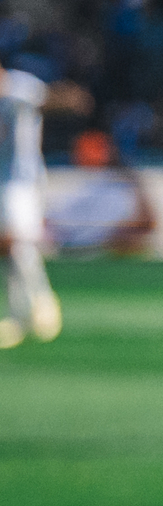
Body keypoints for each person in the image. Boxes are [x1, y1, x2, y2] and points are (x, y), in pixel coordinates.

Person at [2, 66, 90, 348]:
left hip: (20, 179)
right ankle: (19, 315)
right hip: (6, 179)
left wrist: (65, 97)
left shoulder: (18, 86)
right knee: (8, 248)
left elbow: (53, 99)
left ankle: (42, 301)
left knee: (18, 242)